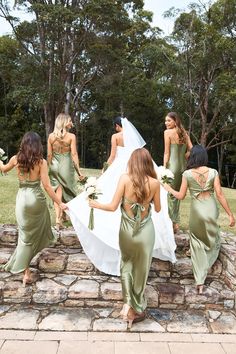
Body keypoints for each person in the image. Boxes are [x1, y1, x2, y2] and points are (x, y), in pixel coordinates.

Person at [67, 117, 176, 277]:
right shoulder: (135, 143)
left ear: (118, 126)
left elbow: (112, 156)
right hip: (137, 168)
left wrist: (105, 169)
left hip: (121, 169)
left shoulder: (116, 137)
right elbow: (141, 156)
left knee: (113, 196)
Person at [89, 148, 161, 328]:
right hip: (146, 232)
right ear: (148, 163)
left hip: (127, 231)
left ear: (132, 162)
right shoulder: (154, 183)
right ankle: (136, 306)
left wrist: (95, 204)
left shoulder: (124, 178)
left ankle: (128, 303)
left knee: (126, 264)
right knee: (142, 269)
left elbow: (113, 206)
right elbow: (158, 209)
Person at [163, 145, 235, 294]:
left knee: (196, 242)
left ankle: (199, 281)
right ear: (204, 157)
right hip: (210, 208)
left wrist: (168, 188)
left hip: (197, 211)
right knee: (213, 238)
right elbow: (220, 194)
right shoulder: (213, 172)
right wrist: (230, 214)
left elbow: (181, 196)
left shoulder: (187, 174)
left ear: (192, 157)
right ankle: (206, 265)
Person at [0, 132, 68, 286]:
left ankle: (26, 273)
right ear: (38, 145)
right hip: (36, 199)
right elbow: (47, 186)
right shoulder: (41, 162)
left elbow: (3, 169)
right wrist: (60, 202)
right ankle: (25, 269)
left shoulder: (16, 159)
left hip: (22, 199)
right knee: (39, 231)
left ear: (23, 143)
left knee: (25, 237)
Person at [47, 113, 82, 230]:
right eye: (70, 121)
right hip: (66, 166)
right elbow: (74, 154)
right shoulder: (71, 137)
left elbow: (49, 155)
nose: (72, 123)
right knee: (68, 190)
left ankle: (59, 218)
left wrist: (50, 167)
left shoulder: (51, 136)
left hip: (54, 166)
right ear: (64, 122)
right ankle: (61, 216)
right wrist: (79, 172)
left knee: (58, 191)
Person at [163, 112, 192, 233]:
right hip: (182, 168)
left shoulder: (167, 133)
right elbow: (192, 149)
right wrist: (185, 156)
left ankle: (171, 223)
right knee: (176, 195)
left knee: (170, 195)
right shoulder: (184, 133)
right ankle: (175, 224)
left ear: (175, 121)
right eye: (165, 121)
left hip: (172, 167)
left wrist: (164, 168)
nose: (166, 123)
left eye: (169, 121)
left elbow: (167, 153)